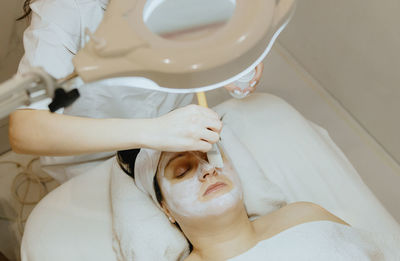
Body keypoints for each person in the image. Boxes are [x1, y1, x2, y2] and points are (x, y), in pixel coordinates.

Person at [9, 0, 264, 181]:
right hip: (92, 160)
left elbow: (234, 69)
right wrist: (155, 131)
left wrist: (234, 64)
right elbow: (25, 129)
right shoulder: (65, 10)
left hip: (180, 142)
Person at [131, 149, 391, 260]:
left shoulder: (305, 215)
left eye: (213, 155)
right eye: (182, 170)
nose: (207, 169)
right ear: (166, 208)